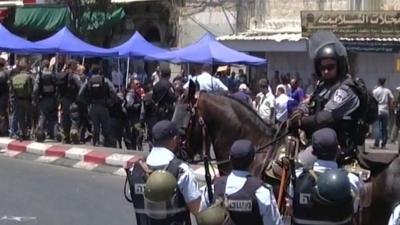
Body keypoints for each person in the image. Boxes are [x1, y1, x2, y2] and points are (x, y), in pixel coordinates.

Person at [289, 31, 368, 161]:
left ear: (340, 65)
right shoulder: (322, 86)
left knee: (297, 164)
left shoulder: (347, 89)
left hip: (339, 147)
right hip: (320, 141)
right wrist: (300, 110)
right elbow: (308, 101)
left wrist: (299, 122)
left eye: (330, 67)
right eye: (322, 67)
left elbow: (324, 118)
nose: (325, 71)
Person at [126, 120, 201, 225]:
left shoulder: (136, 169)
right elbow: (197, 208)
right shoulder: (182, 170)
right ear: (175, 140)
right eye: (179, 138)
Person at [198, 139, 283, 225]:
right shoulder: (262, 192)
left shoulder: (213, 188)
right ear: (253, 159)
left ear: (229, 158)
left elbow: (203, 218)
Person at [292, 128, 362, 225]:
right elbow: (354, 210)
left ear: (313, 152)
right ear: (338, 149)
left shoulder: (297, 178)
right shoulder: (352, 180)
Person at [78, 65, 116, 147]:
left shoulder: (88, 80)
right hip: (103, 105)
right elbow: (113, 91)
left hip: (92, 105)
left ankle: (94, 143)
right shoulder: (105, 80)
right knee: (104, 125)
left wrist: (86, 102)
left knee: (94, 126)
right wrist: (110, 102)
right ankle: (103, 144)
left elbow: (80, 93)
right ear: (99, 71)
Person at [55, 59, 82, 144]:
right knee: (74, 117)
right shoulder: (73, 76)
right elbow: (81, 86)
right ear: (72, 66)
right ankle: (73, 132)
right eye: (75, 65)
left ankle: (65, 137)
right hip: (72, 99)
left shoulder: (61, 75)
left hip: (63, 100)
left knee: (65, 119)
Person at [32, 59, 58, 142]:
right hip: (53, 98)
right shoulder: (53, 74)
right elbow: (57, 86)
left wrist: (34, 98)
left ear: (43, 66)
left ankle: (39, 134)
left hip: (43, 98)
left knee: (42, 116)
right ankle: (55, 134)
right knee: (53, 117)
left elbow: (36, 88)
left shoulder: (40, 74)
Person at [9, 58, 34, 140]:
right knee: (31, 117)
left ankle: (23, 133)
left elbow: (12, 90)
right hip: (28, 100)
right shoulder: (29, 77)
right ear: (26, 66)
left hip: (18, 100)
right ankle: (32, 133)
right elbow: (32, 90)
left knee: (21, 118)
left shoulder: (15, 77)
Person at [372, 78, 393, 149]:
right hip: (385, 110)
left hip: (378, 109)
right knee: (384, 128)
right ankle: (384, 144)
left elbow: (372, 100)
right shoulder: (387, 90)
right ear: (384, 83)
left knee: (377, 127)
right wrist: (389, 104)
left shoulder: (375, 91)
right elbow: (392, 98)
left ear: (378, 82)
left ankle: (376, 144)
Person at [0, 57, 9, 136]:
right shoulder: (5, 73)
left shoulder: (3, 74)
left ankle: (3, 130)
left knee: (2, 114)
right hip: (4, 97)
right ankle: (3, 130)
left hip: (3, 96)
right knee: (3, 114)